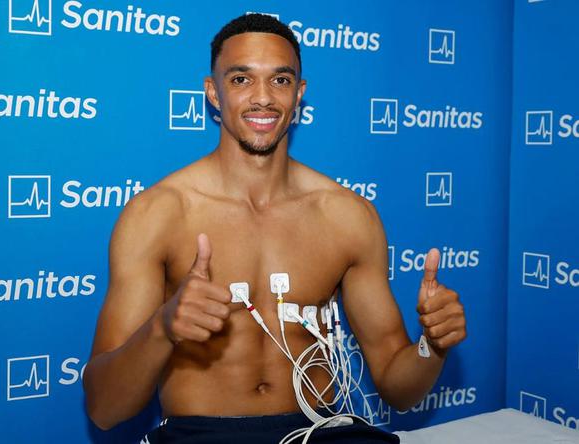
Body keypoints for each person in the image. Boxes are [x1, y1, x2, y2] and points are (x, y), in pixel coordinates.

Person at [83, 13, 467, 443]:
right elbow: (104, 408)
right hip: (202, 434)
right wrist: (163, 327)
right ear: (212, 92)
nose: (263, 98)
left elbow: (398, 389)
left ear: (299, 93)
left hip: (319, 432)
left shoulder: (347, 216)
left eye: (280, 80)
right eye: (241, 79)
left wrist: (431, 346)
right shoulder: (157, 214)